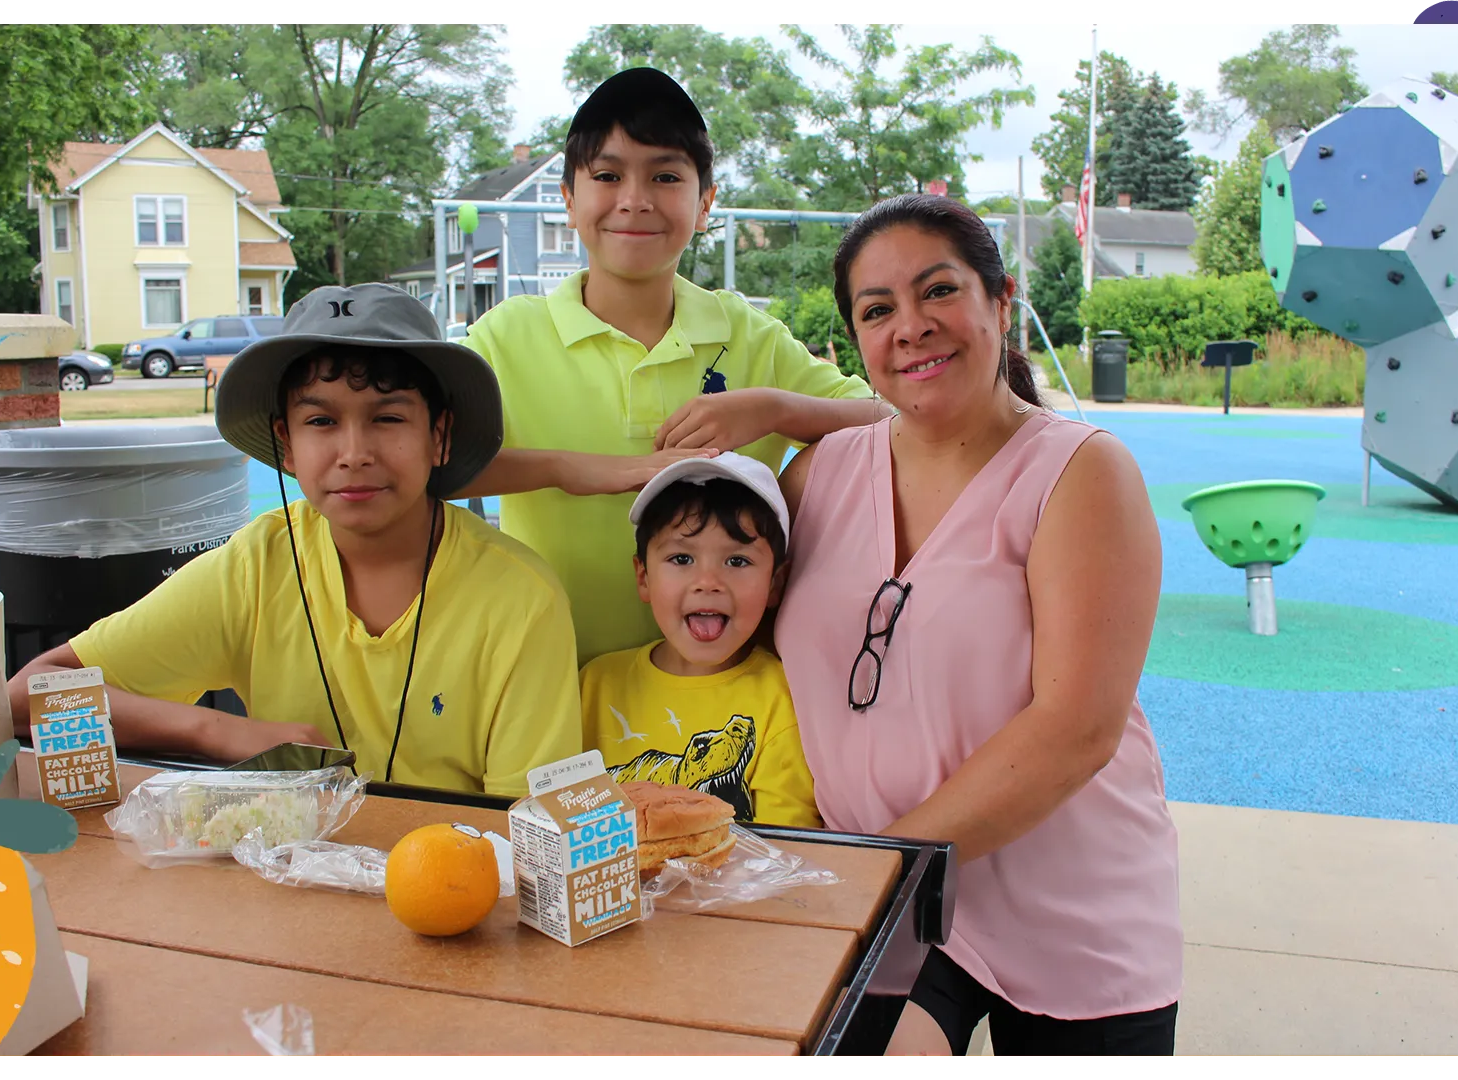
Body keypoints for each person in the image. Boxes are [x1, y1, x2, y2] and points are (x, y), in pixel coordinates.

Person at [773, 195, 1182, 1055]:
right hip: (893, 912)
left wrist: (871, 863)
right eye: (878, 311)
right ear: (857, 342)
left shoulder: (1079, 473)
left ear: (1001, 302)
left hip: (1061, 900)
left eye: (938, 292)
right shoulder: (815, 479)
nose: (911, 327)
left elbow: (1077, 729)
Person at [7, 283, 583, 798]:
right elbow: (29, 696)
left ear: (440, 436)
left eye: (387, 419)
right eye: (321, 422)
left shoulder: (520, 598)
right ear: (285, 443)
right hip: (282, 884)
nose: (354, 453)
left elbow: (524, 823)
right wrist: (216, 729)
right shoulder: (256, 569)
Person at [454, 67, 891, 665]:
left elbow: (893, 418)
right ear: (567, 199)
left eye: (665, 176)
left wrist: (774, 408)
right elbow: (429, 468)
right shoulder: (506, 337)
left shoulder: (749, 336)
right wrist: (572, 468)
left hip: (721, 710)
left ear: (705, 202)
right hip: (557, 691)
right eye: (607, 176)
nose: (635, 200)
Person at [580, 453, 820, 828]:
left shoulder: (786, 697)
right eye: (681, 558)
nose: (708, 581)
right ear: (643, 576)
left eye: (737, 561)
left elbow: (786, 846)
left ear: (775, 583)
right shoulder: (595, 684)